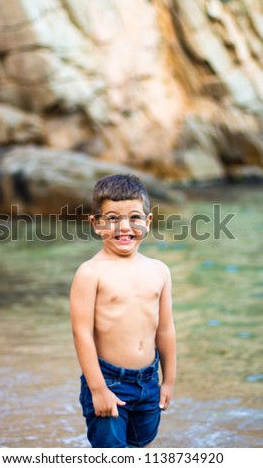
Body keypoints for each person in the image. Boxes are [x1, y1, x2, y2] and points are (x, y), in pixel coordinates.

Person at [70, 174, 176, 448]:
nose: (124, 227)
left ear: (148, 222)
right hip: (109, 382)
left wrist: (169, 381)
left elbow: (165, 329)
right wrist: (98, 389)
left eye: (134, 217)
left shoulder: (159, 271)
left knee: (141, 446)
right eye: (113, 218)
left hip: (149, 381)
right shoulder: (90, 273)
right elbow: (82, 334)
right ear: (96, 224)